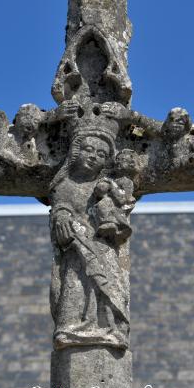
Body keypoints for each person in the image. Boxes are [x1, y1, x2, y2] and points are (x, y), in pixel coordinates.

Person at [49, 127, 130, 349]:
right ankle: (71, 327)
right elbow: (60, 206)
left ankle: (110, 327)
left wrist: (110, 196)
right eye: (88, 150)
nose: (94, 156)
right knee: (75, 284)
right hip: (76, 248)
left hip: (103, 247)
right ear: (76, 152)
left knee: (106, 287)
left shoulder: (106, 186)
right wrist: (61, 215)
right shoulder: (64, 184)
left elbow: (121, 208)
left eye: (101, 154)